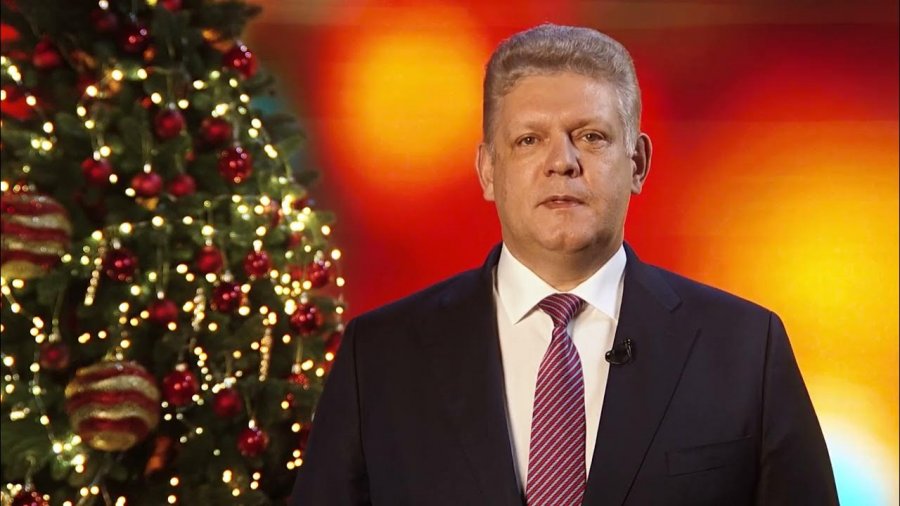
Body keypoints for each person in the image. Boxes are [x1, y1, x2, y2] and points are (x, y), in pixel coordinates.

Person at [289, 23, 838, 505]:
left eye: (591, 136)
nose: (562, 162)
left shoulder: (745, 348)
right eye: (530, 140)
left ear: (638, 163)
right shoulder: (379, 358)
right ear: (487, 170)